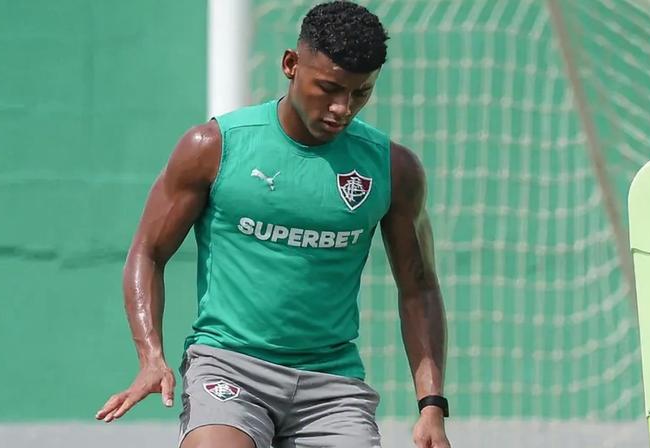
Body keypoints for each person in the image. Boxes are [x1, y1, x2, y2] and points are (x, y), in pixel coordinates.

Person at [95, 2, 450, 447]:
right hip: (229, 368)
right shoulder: (212, 146)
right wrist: (151, 356)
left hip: (332, 385)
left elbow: (419, 287)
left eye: (360, 93)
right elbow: (148, 251)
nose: (342, 108)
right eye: (329, 88)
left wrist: (431, 405)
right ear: (290, 64)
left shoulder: (393, 169)